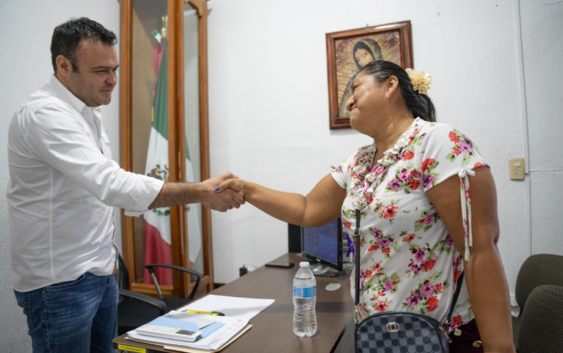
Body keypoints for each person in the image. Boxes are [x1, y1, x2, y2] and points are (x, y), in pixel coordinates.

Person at [218, 61, 516, 352]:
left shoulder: (438, 143)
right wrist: (246, 189)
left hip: (438, 335)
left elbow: (479, 249)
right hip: (377, 334)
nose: (348, 102)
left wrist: (500, 347)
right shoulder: (359, 163)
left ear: (390, 86)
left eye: (356, 88)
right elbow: (307, 208)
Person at [7, 18, 243, 353]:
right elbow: (111, 184)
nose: (113, 81)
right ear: (64, 66)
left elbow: (93, 193)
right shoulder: (44, 115)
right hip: (59, 283)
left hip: (101, 271)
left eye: (115, 69)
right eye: (101, 70)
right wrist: (200, 192)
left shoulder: (86, 109)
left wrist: (109, 257)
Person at [338, 38, 384, 117]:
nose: (362, 61)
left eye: (364, 55)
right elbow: (345, 110)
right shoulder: (354, 81)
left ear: (374, 53)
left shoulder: (386, 75)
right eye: (358, 59)